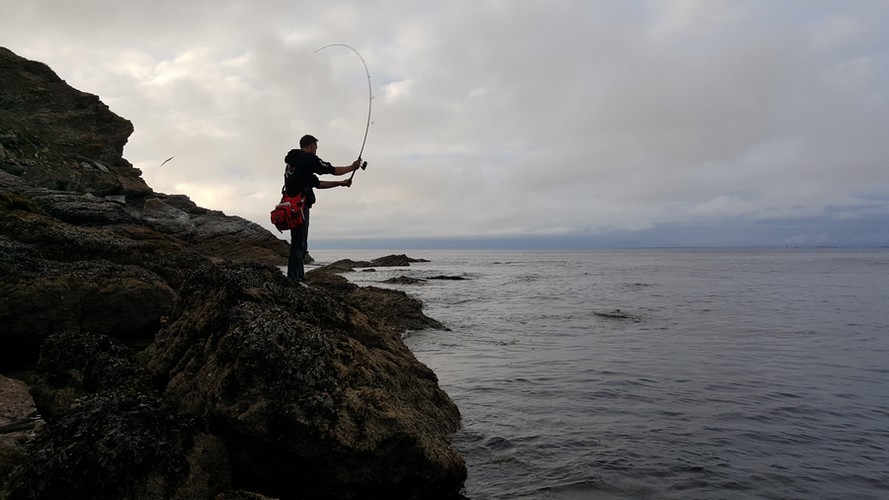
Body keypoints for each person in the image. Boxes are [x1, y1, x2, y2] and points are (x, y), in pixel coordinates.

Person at [283, 134, 362, 285]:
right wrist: (352, 167)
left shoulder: (293, 163)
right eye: (316, 148)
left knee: (299, 244)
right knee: (299, 245)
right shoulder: (307, 158)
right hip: (299, 207)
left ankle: (298, 278)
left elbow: (317, 184)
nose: (316, 151)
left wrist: (341, 183)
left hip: (291, 206)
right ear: (311, 146)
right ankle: (293, 281)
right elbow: (331, 169)